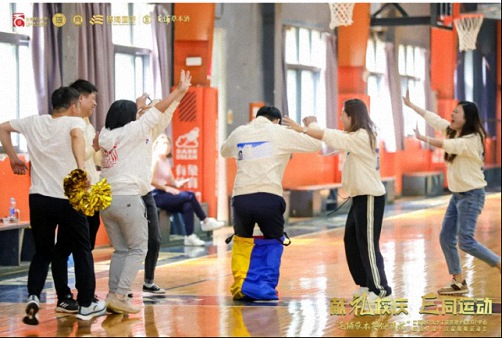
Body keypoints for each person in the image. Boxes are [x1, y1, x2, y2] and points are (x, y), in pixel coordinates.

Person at [0, 87, 106, 324]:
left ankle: (34, 296)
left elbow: (3, 127)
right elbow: (77, 137)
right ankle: (87, 304)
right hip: (68, 198)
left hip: (39, 198)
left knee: (43, 252)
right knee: (81, 248)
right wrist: (80, 169)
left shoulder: (34, 122)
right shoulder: (73, 122)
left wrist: (13, 158)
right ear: (73, 106)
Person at [99, 70, 191, 314]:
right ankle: (120, 294)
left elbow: (151, 116)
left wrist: (136, 108)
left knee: (120, 250)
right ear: (133, 118)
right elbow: (159, 110)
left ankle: (113, 295)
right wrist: (179, 93)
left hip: (106, 199)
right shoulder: (134, 131)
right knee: (139, 248)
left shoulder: (106, 134)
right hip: (129, 197)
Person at [283, 99, 392, 300]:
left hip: (370, 197)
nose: (340, 118)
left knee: (368, 244)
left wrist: (310, 125)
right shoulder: (354, 136)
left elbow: (328, 135)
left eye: (343, 115)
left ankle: (381, 290)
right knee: (351, 240)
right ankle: (365, 284)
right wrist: (304, 129)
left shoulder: (362, 136)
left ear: (352, 116)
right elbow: (334, 136)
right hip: (360, 197)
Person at [403, 92, 501, 295]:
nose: (452, 115)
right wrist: (412, 105)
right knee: (446, 237)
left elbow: (449, 146)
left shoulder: (473, 139)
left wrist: (423, 138)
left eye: (456, 113)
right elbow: (434, 118)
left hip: (472, 195)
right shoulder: (453, 131)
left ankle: (498, 263)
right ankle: (458, 282)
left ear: (467, 119)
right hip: (457, 196)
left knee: (465, 241)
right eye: (453, 111)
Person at [221, 106, 321, 240]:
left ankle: (242, 260)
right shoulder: (280, 131)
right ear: (277, 120)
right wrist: (311, 125)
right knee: (273, 242)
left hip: (241, 198)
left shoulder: (240, 131)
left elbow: (224, 151)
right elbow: (316, 144)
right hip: (269, 196)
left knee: (242, 243)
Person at [151, 134, 225, 246]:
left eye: (168, 143)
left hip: (165, 193)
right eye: (163, 143)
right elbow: (150, 180)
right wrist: (167, 189)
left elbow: (172, 182)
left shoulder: (166, 161)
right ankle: (205, 221)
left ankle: (189, 236)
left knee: (187, 205)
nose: (166, 146)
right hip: (155, 195)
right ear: (156, 146)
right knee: (189, 195)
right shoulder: (155, 160)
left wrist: (179, 184)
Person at [69, 79, 101, 249]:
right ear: (81, 98)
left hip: (93, 189)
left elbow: (95, 159)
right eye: (93, 98)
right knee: (75, 242)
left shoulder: (88, 124)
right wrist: (94, 147)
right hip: (80, 190)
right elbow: (77, 156)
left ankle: (86, 273)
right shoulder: (73, 126)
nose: (95, 103)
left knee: (90, 237)